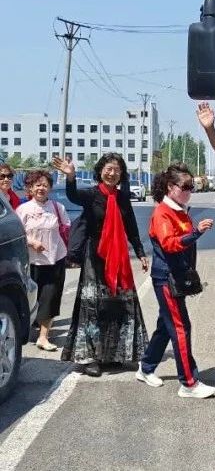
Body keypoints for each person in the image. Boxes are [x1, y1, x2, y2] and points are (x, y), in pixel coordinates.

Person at [52, 153, 149, 377]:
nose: (112, 173)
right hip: (94, 259)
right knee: (93, 307)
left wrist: (140, 252)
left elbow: (131, 226)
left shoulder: (123, 197)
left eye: (117, 170)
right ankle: (90, 358)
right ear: (100, 171)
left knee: (119, 304)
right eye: (108, 169)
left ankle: (115, 354)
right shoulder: (91, 194)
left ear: (121, 174)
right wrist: (71, 177)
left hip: (119, 258)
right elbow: (73, 195)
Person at [137, 163, 215, 399]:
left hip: (177, 276)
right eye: (185, 186)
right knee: (181, 327)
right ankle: (189, 383)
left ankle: (146, 367)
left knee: (166, 325)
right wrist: (196, 232)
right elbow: (169, 244)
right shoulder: (163, 212)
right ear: (171, 187)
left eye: (192, 186)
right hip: (166, 278)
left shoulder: (180, 210)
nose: (189, 191)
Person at [15, 170, 69, 352]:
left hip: (55, 259)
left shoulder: (57, 207)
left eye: (45, 185)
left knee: (50, 298)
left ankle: (43, 337)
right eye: (37, 185)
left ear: (50, 188)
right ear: (30, 188)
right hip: (30, 262)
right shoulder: (23, 209)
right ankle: (26, 328)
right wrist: (32, 242)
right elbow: (17, 233)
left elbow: (66, 228)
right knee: (30, 298)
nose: (41, 188)